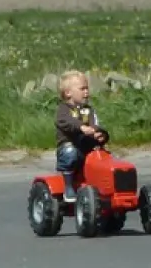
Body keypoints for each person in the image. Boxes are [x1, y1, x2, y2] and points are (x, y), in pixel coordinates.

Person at [54, 70, 108, 202]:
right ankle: (68, 186)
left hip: (87, 145)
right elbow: (65, 122)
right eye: (82, 89)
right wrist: (81, 127)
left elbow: (95, 124)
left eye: (87, 88)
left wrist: (100, 135)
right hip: (70, 146)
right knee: (69, 152)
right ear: (68, 93)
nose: (86, 92)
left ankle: (104, 187)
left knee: (104, 155)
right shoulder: (63, 109)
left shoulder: (89, 110)